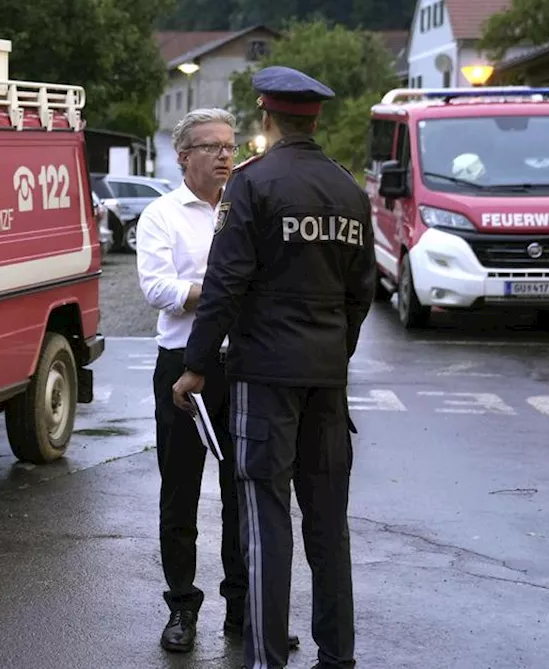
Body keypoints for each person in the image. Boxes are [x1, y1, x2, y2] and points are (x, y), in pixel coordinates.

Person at [171, 66, 376, 669]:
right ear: (315, 119)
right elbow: (361, 292)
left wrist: (196, 365)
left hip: (264, 378)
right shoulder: (348, 189)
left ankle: (266, 659)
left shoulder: (253, 185)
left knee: (266, 522)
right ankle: (338, 657)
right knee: (328, 525)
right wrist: (335, 354)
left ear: (267, 118)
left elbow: (226, 285)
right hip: (326, 383)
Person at [136, 107, 299, 655]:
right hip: (182, 365)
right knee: (180, 491)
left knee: (241, 492)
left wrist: (219, 287)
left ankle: (241, 608)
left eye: (230, 146)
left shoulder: (247, 209)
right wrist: (228, 288)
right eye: (212, 147)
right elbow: (159, 290)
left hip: (244, 364)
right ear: (184, 156)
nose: (226, 155)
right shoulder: (161, 215)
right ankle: (181, 606)